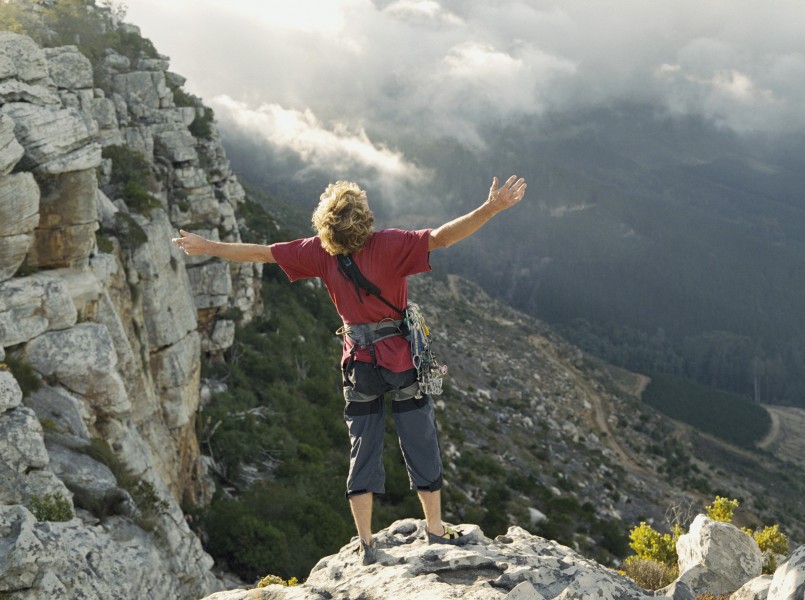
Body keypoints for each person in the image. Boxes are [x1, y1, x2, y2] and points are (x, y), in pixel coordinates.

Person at [172, 175, 526, 565]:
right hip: (401, 361)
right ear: (364, 217)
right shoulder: (390, 244)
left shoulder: (319, 252)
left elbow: (262, 253)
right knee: (419, 437)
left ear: (325, 223)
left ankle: (366, 544)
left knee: (363, 447)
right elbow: (442, 237)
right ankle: (436, 529)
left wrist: (208, 246)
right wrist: (491, 208)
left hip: (359, 365)